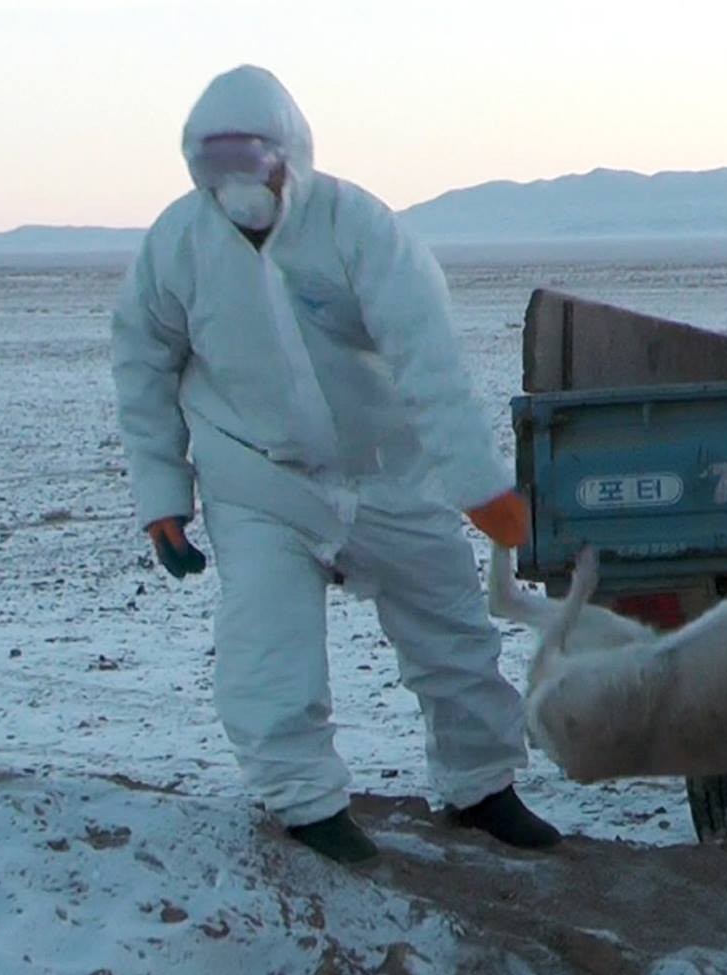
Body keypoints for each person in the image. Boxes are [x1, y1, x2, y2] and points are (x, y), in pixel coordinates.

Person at [110, 64, 559, 866]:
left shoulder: (359, 229)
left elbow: (429, 362)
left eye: (250, 159)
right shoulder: (177, 245)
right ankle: (305, 803)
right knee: (268, 640)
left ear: (289, 153)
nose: (236, 181)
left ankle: (481, 785)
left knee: (451, 629)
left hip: (386, 471)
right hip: (259, 477)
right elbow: (142, 366)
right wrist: (161, 497)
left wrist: (475, 485)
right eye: (215, 164)